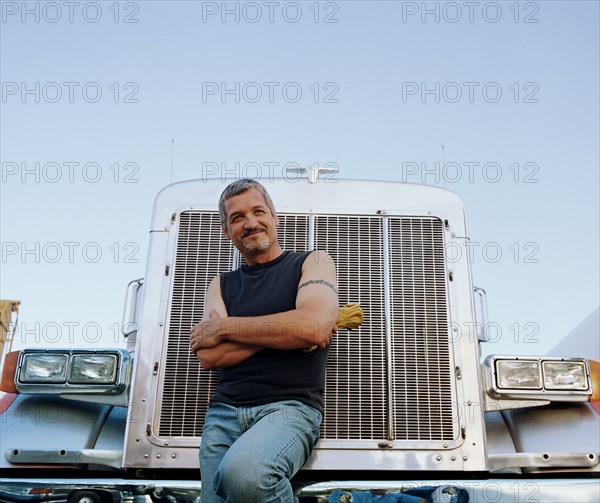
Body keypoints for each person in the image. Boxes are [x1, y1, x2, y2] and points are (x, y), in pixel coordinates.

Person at [189, 178, 338, 503]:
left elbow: (311, 327)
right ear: (226, 232)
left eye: (258, 211)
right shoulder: (222, 283)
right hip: (223, 415)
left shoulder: (313, 262)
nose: (250, 222)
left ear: (275, 217)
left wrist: (225, 327)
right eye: (237, 217)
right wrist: (287, 327)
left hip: (289, 409)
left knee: (246, 475)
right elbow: (209, 357)